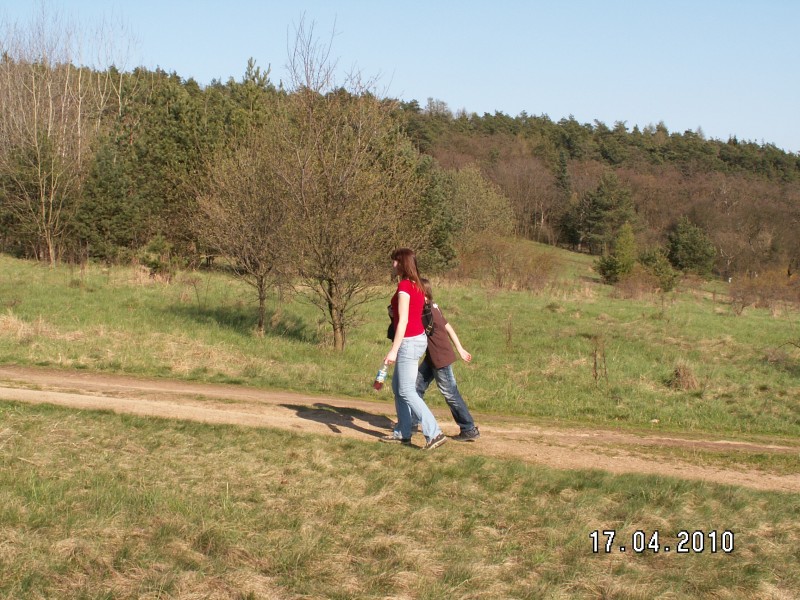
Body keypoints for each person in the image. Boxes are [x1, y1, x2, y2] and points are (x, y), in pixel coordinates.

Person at [392, 278, 480, 441]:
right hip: (432, 357)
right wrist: (460, 349)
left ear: (423, 293)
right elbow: (449, 328)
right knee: (415, 388)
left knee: (450, 393)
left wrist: (460, 349)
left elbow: (444, 328)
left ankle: (468, 428)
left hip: (440, 357)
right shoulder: (433, 307)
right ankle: (411, 424)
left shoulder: (427, 311)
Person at [380, 248, 447, 450]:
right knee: (398, 388)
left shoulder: (404, 286)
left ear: (403, 263)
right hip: (416, 339)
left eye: (395, 261)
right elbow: (407, 314)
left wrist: (394, 349)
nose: (392, 264)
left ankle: (434, 433)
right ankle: (403, 432)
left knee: (407, 390)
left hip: (408, 341)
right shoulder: (416, 284)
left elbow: (404, 322)